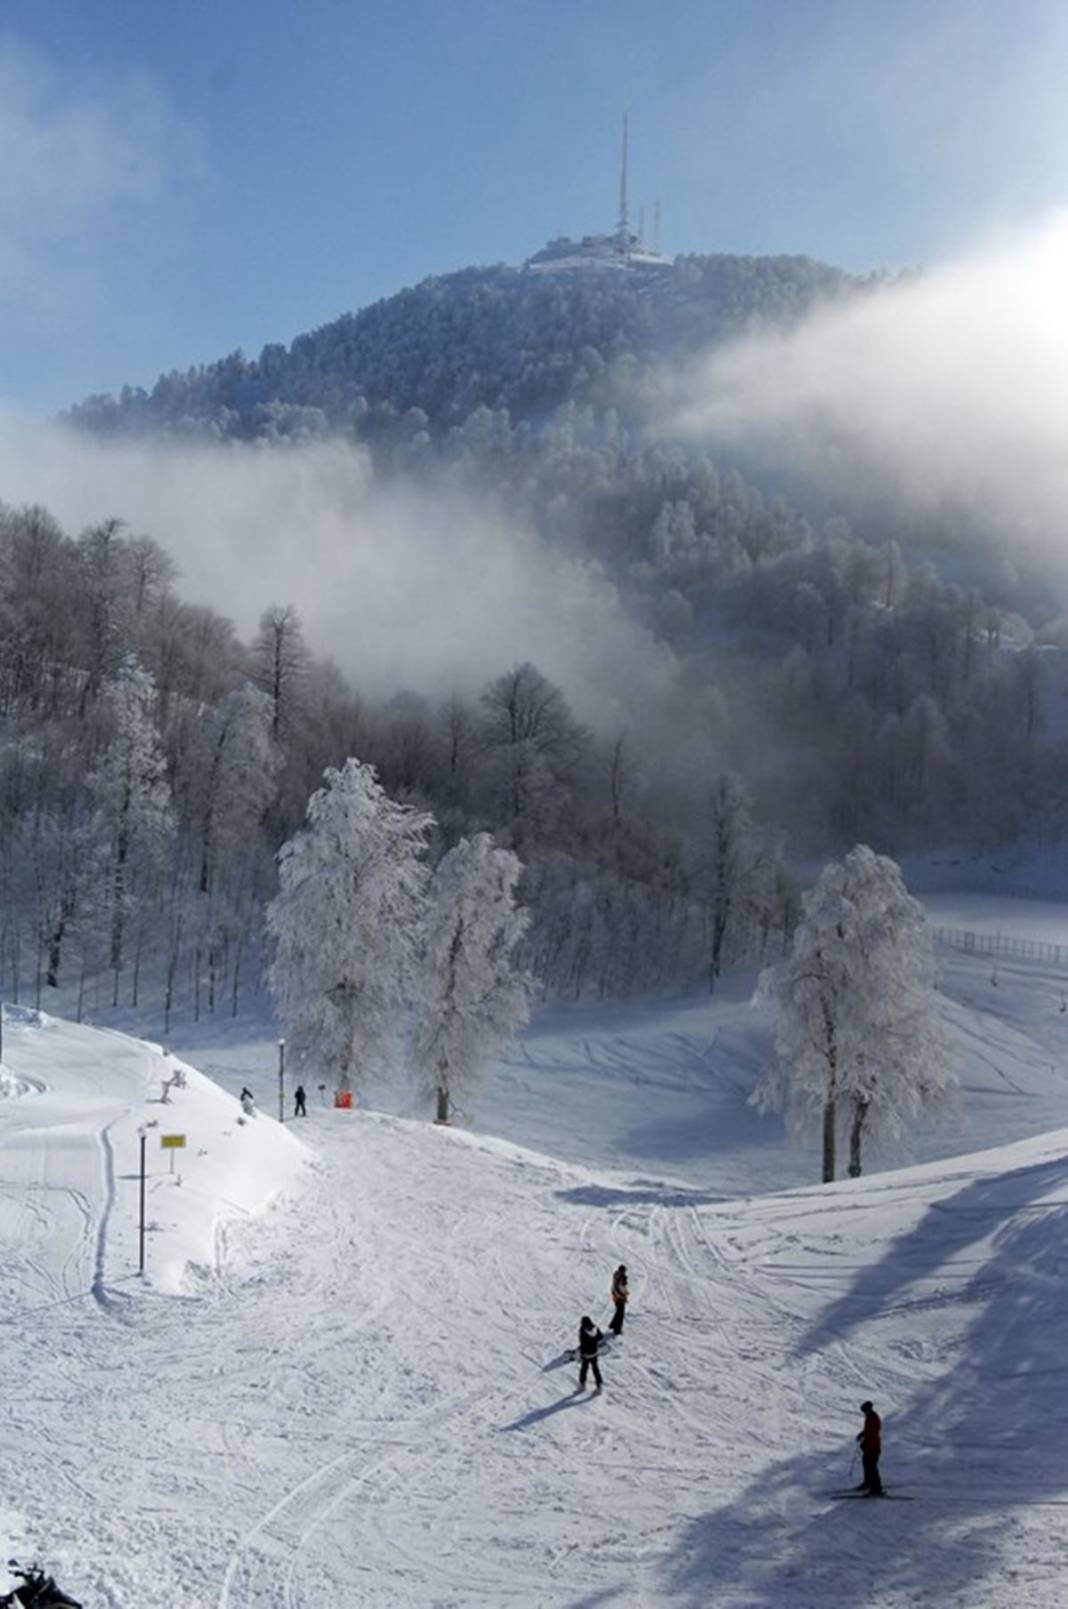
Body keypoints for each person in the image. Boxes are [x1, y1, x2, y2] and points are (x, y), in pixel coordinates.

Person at [856, 1400, 884, 1495]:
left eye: (864, 1411)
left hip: (873, 1447)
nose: (864, 1413)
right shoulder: (869, 1417)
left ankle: (877, 1488)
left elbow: (872, 1433)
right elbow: (867, 1430)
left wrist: (865, 1441)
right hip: (869, 1447)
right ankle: (867, 1483)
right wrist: (862, 1434)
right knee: (866, 1464)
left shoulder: (874, 1418)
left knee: (872, 1467)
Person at [577, 1316, 604, 1392]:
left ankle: (582, 1385)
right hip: (594, 1353)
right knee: (595, 1369)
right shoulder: (595, 1328)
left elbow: (582, 1342)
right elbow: (601, 1336)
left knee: (584, 1369)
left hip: (586, 1354)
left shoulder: (582, 1330)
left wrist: (581, 1353)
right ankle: (599, 1385)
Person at [609, 1264, 629, 1335]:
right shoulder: (621, 1278)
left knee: (618, 1312)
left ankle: (613, 1324)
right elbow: (621, 1288)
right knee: (621, 1314)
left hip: (616, 1296)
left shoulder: (616, 1275)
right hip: (620, 1297)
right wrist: (625, 1294)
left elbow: (614, 1287)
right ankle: (617, 1330)